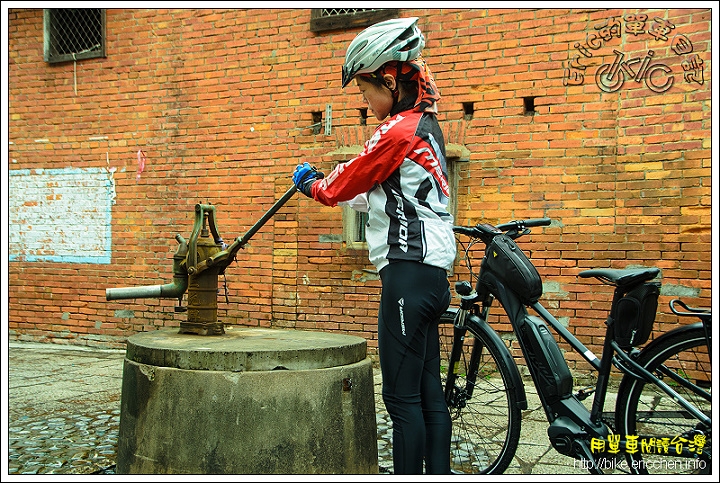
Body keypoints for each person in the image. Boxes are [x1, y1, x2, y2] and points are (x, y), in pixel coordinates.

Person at [291, 17, 455, 475]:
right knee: (428, 394)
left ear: (389, 79)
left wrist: (313, 183)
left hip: (405, 272)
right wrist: (333, 181)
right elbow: (381, 189)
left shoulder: (398, 130)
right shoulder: (427, 127)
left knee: (401, 400)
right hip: (432, 276)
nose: (367, 104)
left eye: (367, 93)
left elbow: (344, 184)